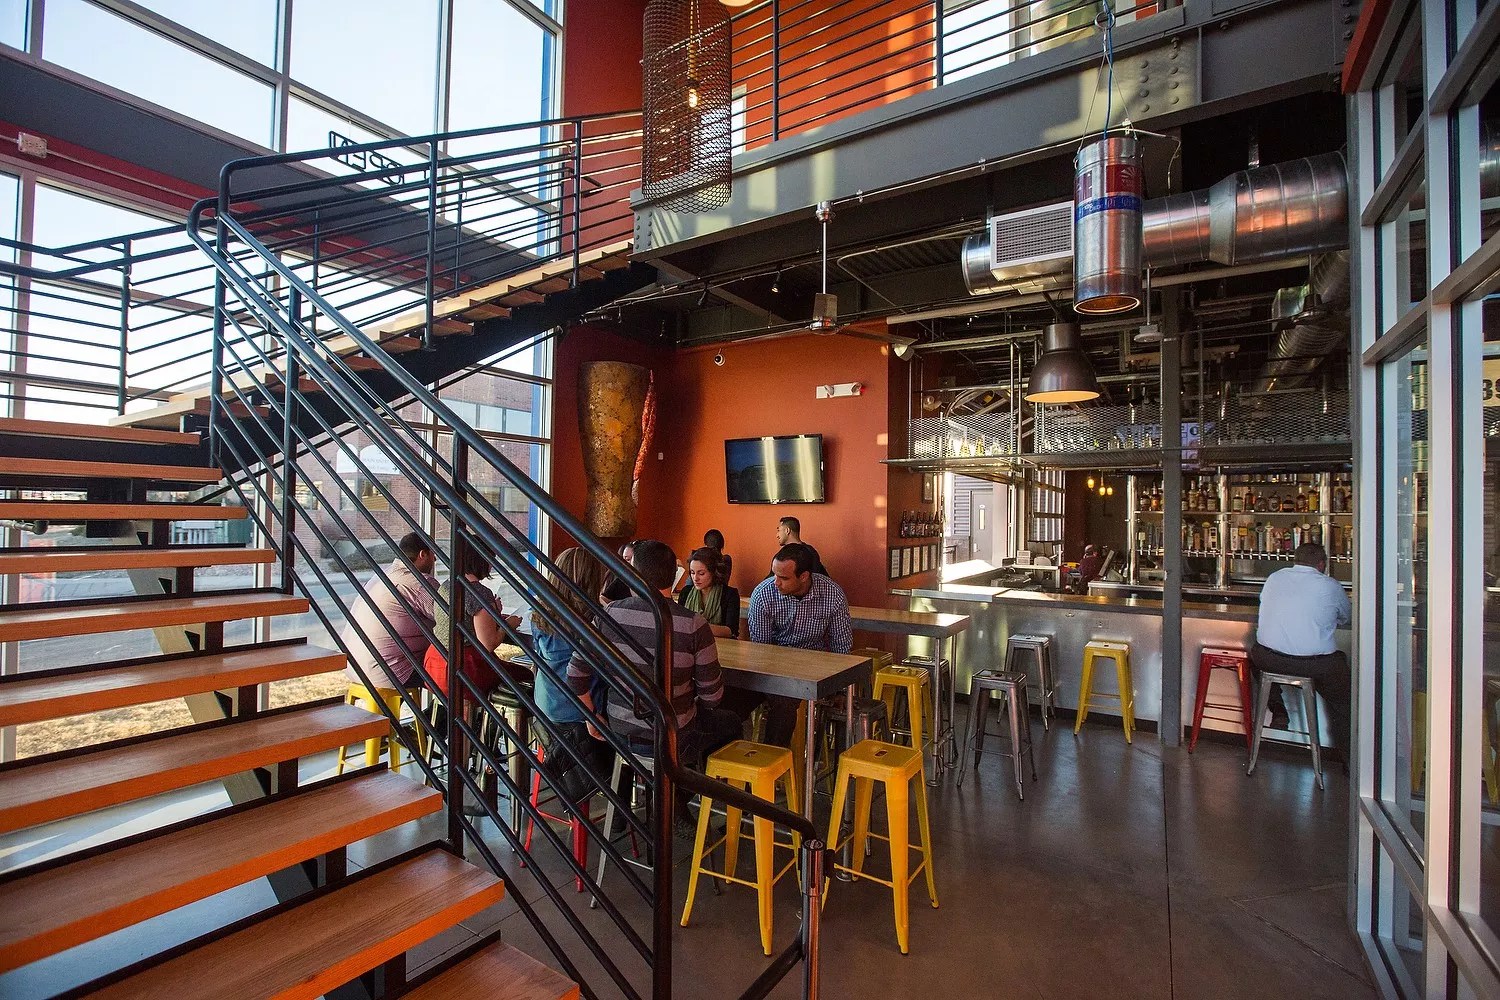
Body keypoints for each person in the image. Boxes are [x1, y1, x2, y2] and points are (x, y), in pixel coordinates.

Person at [566, 539, 742, 772]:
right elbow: (711, 697)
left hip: (620, 733)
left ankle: (653, 788)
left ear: (633, 574)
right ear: (674, 575)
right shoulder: (693, 624)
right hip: (674, 735)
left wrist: (591, 717)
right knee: (731, 722)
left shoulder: (608, 614)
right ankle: (694, 787)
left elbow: (575, 676)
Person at [1252, 541, 1352, 761]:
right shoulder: (1330, 585)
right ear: (1322, 564)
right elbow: (1347, 618)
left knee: (1255, 656)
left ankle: (1278, 709)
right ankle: (1349, 758)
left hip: (1269, 659)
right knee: (1343, 698)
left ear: (1295, 560)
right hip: (1313, 665)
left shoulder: (1274, 578)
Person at [746, 542, 853, 745]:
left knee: (784, 702)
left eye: (784, 578)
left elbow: (841, 646)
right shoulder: (763, 594)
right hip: (774, 668)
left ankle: (774, 759)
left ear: (804, 576)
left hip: (814, 670)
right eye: (774, 574)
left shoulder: (832, 594)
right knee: (726, 698)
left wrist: (840, 689)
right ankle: (726, 759)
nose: (776, 583)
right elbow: (761, 650)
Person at [531, 547, 614, 803]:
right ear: (592, 580)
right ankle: (621, 804)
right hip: (581, 714)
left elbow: (537, 659)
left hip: (545, 707)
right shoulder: (594, 620)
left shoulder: (539, 611)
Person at [424, 544, 524, 699]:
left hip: (434, 665)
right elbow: (488, 644)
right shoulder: (480, 593)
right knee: (525, 675)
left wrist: (493, 611)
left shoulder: (446, 586)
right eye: (490, 560)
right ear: (481, 561)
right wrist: (508, 625)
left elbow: (466, 621)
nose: (491, 566)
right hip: (464, 670)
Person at [343, 531, 439, 691]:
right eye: (433, 554)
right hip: (389, 672)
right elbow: (449, 618)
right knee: (455, 668)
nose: (435, 560)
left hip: (355, 667)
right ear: (423, 554)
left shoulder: (382, 575)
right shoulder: (419, 583)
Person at [678, 546, 740, 638]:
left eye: (701, 573)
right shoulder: (686, 592)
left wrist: (698, 625)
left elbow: (731, 631)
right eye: (692, 572)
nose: (695, 578)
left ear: (714, 572)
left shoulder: (729, 594)